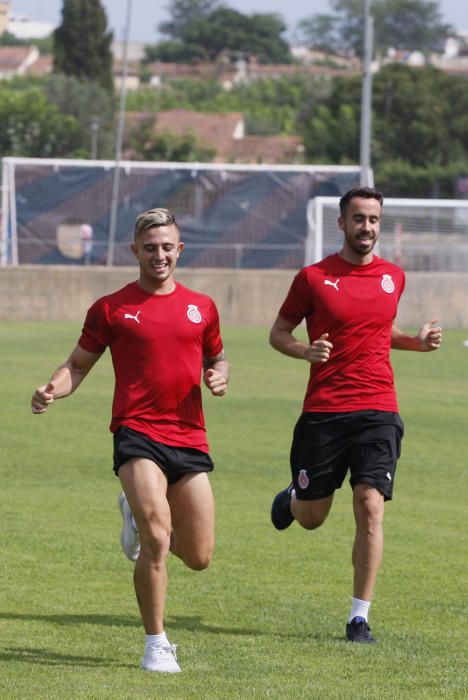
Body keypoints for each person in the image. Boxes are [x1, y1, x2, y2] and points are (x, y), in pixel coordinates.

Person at [31, 208, 229, 673]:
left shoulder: (203, 306)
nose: (159, 255)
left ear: (179, 250)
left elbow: (218, 359)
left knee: (199, 556)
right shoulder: (111, 308)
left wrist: (218, 377)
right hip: (137, 432)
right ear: (134, 251)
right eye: (150, 247)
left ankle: (135, 518)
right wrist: (51, 389)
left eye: (167, 247)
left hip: (190, 437)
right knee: (159, 538)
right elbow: (77, 365)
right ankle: (156, 643)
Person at [269, 187, 442, 643]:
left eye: (374, 220)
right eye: (359, 219)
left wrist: (416, 343)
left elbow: (380, 331)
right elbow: (278, 333)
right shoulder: (313, 277)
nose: (367, 228)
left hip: (378, 409)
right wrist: (307, 350)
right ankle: (292, 499)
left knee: (370, 506)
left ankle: (359, 617)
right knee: (312, 517)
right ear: (342, 223)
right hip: (325, 411)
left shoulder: (393, 277)